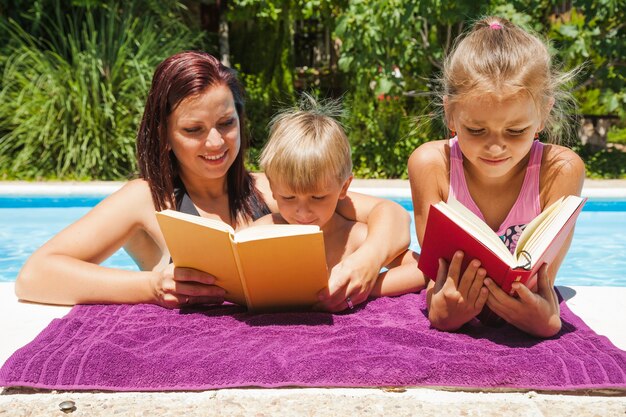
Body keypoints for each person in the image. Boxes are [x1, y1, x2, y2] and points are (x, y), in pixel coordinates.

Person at [15, 51, 411, 312]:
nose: (216, 142)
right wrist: (152, 286)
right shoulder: (147, 199)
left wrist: (366, 261)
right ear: (165, 135)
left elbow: (390, 214)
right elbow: (35, 276)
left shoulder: (273, 190)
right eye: (193, 129)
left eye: (226, 123)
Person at [408, 17, 585, 337]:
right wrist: (442, 310)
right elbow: (437, 278)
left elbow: (544, 284)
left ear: (543, 113)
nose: (495, 146)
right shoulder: (431, 164)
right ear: (450, 113)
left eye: (516, 131)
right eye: (476, 130)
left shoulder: (559, 169)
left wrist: (545, 320)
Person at [253, 97, 424, 302]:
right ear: (272, 187)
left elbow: (421, 268)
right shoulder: (264, 230)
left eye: (318, 197)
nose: (303, 211)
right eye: (288, 197)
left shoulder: (354, 237)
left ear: (344, 187)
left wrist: (365, 284)